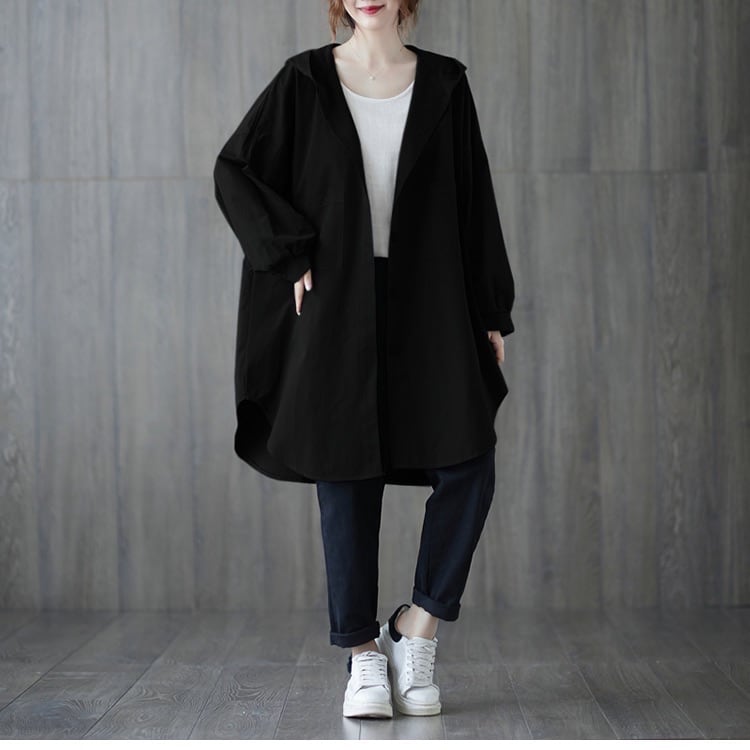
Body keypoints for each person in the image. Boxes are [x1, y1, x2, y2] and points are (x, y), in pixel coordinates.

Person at [213, 0, 515, 720]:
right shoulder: (305, 82)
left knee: (468, 463)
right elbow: (236, 171)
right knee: (345, 468)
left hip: (430, 299)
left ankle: (417, 627)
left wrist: (490, 309)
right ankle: (362, 655)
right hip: (339, 300)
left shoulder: (445, 84)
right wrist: (288, 254)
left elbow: (473, 200)